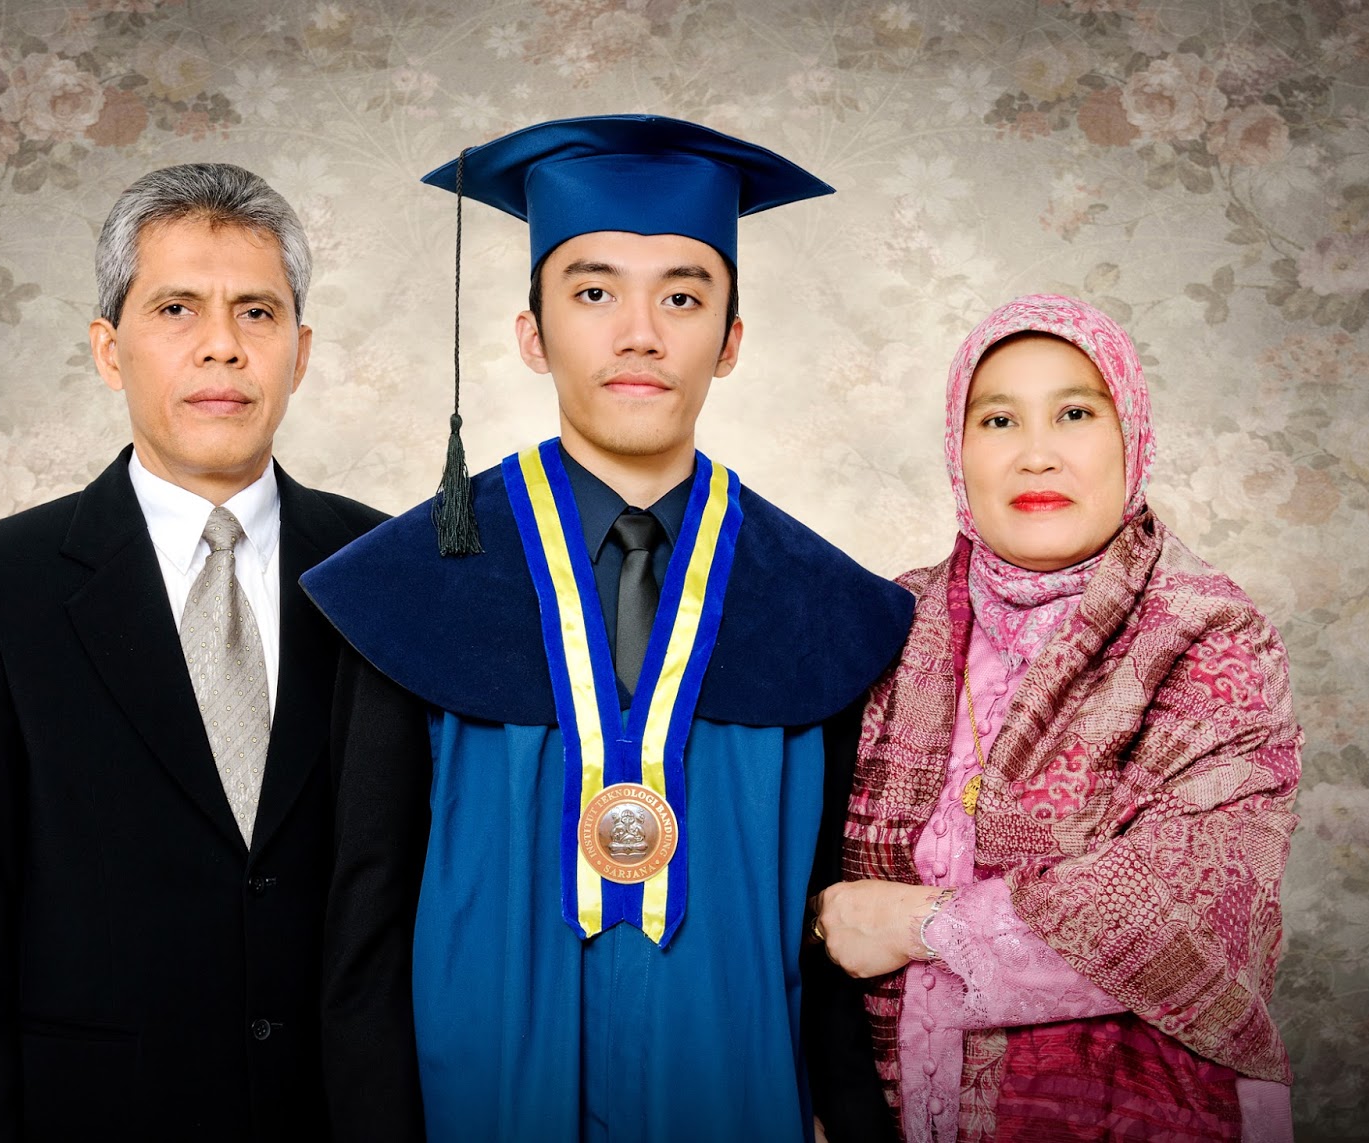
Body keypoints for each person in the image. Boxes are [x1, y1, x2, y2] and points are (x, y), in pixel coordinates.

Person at [301, 114, 915, 1141]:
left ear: (730, 342)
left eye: (682, 296)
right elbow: (360, 930)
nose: (641, 333)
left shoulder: (824, 608)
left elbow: (831, 928)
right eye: (594, 293)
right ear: (531, 333)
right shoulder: (410, 588)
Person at [0, 163, 387, 1140]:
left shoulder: (384, 573)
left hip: (337, 1114)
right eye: (176, 308)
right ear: (109, 351)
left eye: (257, 312)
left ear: (300, 350)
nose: (221, 347)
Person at [814, 294, 1301, 1142]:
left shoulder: (1207, 635)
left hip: (1134, 1115)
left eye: (1075, 412)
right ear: (959, 451)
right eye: (998, 419)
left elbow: (1185, 913)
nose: (1037, 454)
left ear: (1130, 437)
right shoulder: (886, 621)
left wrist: (914, 924)